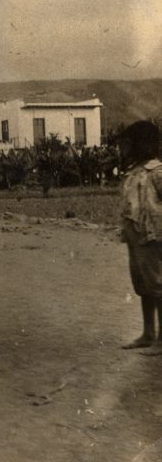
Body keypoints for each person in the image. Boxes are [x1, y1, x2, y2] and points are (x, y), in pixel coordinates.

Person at [118, 120, 162, 353]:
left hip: (153, 237)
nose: (123, 149)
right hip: (136, 237)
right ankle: (148, 333)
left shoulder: (156, 172)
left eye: (128, 143)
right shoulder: (134, 172)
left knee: (157, 285)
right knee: (143, 285)